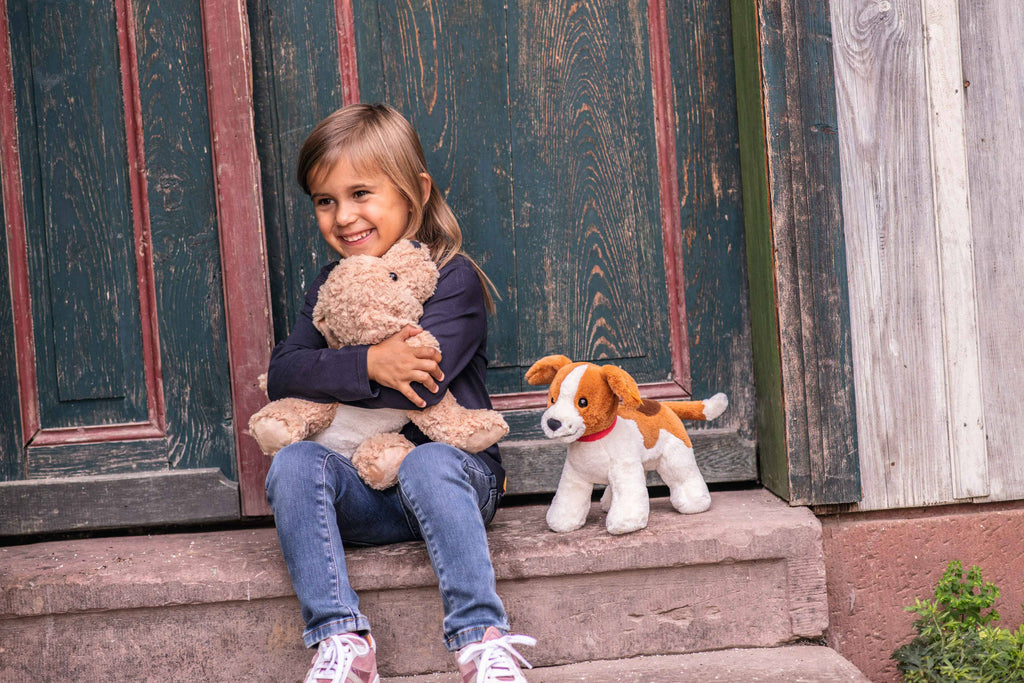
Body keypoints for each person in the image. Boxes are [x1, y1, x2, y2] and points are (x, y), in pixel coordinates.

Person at [264, 103, 535, 683]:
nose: (343, 217)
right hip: (366, 495)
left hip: (456, 486)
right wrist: (370, 362)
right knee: (292, 463)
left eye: (361, 193)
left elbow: (422, 383)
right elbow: (285, 372)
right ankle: (340, 639)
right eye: (325, 200)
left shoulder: (450, 276)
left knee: (433, 459)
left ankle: (481, 639)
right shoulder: (332, 286)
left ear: (414, 192)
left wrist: (345, 368)